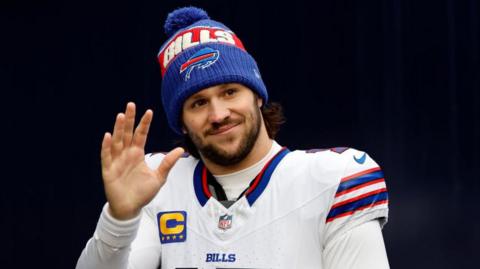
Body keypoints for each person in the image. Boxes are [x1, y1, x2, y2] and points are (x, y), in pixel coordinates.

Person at [76, 6, 390, 269]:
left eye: (230, 91)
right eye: (198, 102)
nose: (218, 113)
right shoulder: (160, 181)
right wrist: (120, 218)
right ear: (181, 123)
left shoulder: (333, 179)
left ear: (257, 95)